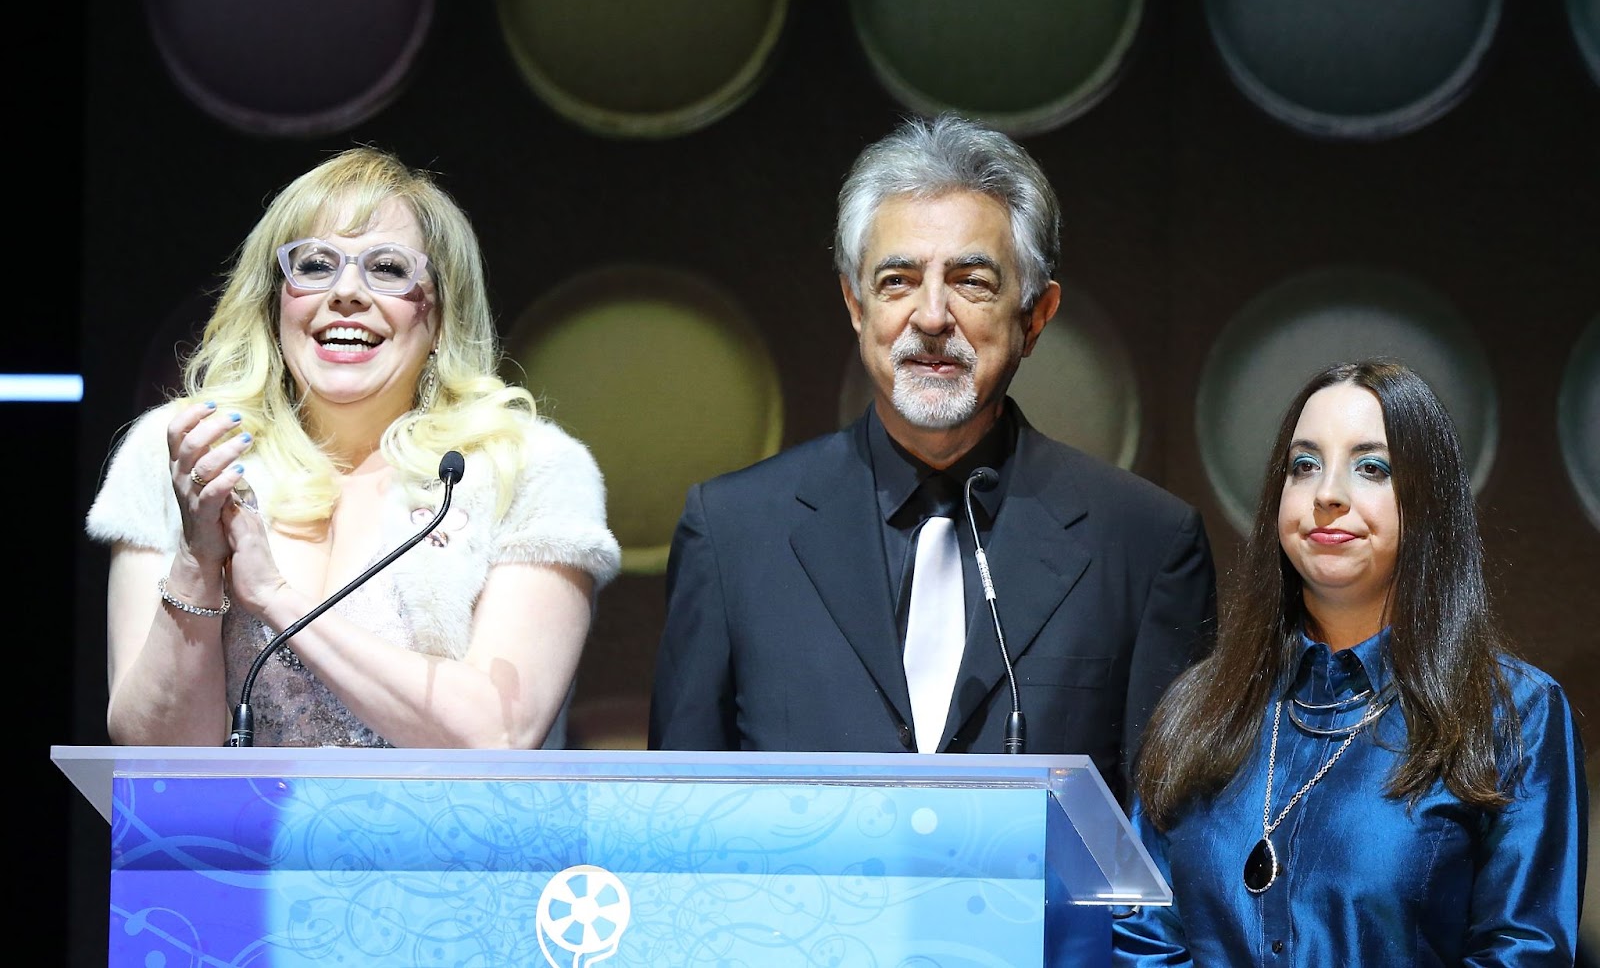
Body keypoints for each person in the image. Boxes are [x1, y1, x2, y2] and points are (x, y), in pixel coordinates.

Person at [648, 112, 1216, 798]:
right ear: (856, 306)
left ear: (1036, 316)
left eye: (973, 280)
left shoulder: (1145, 542)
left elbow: (1165, 845)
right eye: (897, 281)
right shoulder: (734, 531)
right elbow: (674, 820)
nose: (932, 315)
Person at [88, 146, 621, 749]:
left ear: (442, 314)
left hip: (443, 844)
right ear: (273, 303)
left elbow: (495, 732)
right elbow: (158, 755)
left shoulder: (526, 468)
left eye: (389, 268)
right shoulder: (184, 453)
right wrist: (195, 563)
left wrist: (273, 599)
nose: (346, 292)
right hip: (233, 846)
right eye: (314, 265)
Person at [1115, 360, 1589, 965]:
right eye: (1304, 466)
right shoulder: (1199, 704)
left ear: (1427, 502)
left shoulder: (1514, 713)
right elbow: (1139, 934)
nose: (1327, 494)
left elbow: (1525, 952)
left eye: (1372, 468)